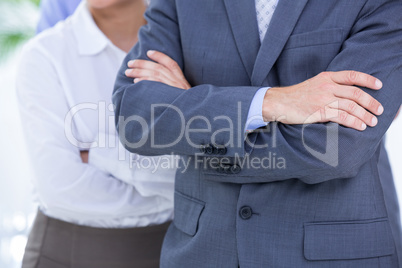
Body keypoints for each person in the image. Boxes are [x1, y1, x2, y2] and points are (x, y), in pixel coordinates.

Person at [113, 0, 402, 267]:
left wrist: (192, 113)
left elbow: (336, 148)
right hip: (204, 252)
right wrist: (272, 101)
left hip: (331, 255)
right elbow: (136, 118)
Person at [17, 0, 177, 267]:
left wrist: (98, 154)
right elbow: (61, 189)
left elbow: (207, 161)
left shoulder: (187, 46)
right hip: (71, 252)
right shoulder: (44, 56)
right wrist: (180, 192)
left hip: (178, 249)